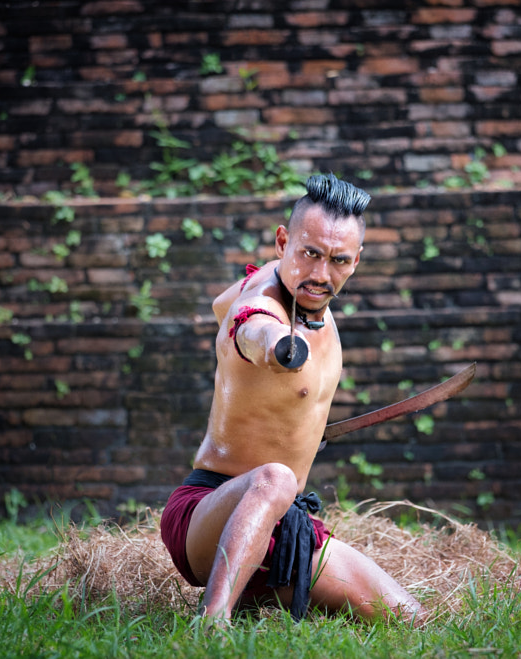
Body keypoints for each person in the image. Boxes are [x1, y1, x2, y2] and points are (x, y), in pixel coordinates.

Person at [160, 173, 426, 626]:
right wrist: (280, 348)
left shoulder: (291, 283)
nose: (321, 274)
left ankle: (253, 592)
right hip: (208, 513)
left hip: (282, 529)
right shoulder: (267, 304)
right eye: (309, 253)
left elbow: (220, 305)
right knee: (278, 479)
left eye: (338, 260)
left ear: (356, 260)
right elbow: (247, 322)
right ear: (283, 240)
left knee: (408, 617)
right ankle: (212, 623)